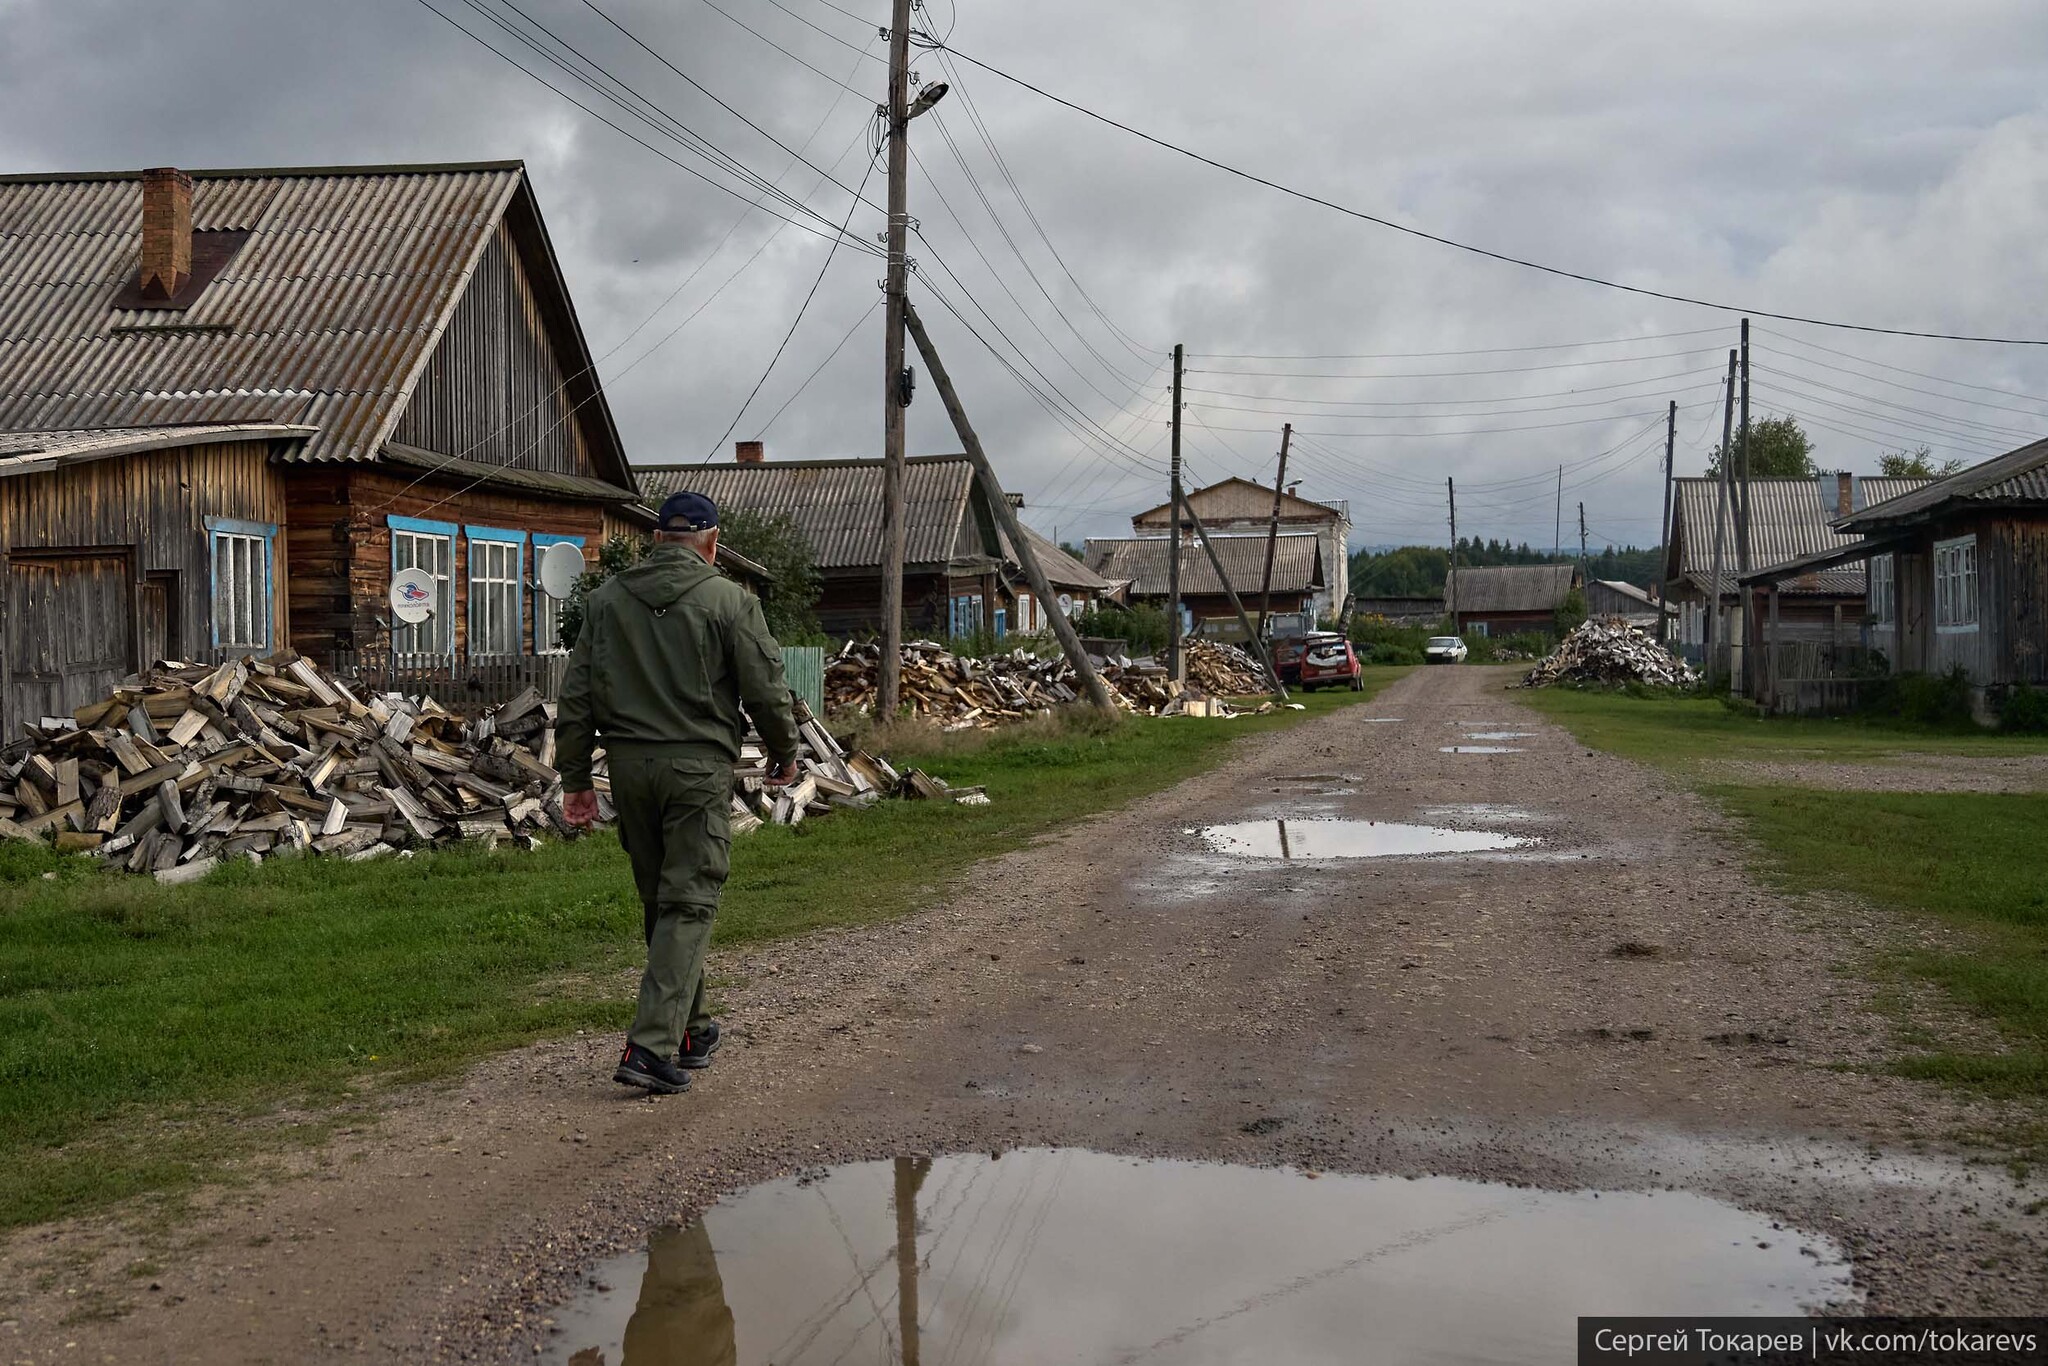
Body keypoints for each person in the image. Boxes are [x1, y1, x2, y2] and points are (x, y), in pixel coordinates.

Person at [557, 491, 800, 1095]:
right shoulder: (730, 601)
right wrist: (785, 749)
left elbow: (577, 695)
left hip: (630, 768)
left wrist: (576, 779)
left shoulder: (606, 601)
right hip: (695, 768)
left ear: (657, 539)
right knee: (689, 901)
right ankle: (650, 1047)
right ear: (712, 542)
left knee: (662, 898)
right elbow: (764, 689)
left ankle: (689, 1028)